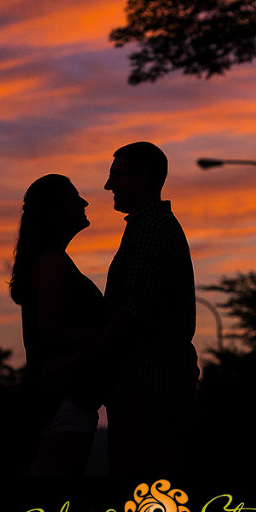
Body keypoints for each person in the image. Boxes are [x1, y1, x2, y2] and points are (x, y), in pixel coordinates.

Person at [102, 142, 199, 475]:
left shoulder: (153, 232)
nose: (108, 185)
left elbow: (132, 312)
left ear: (141, 178)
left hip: (149, 389)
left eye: (116, 176)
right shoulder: (146, 229)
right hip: (146, 387)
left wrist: (78, 358)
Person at [9, 174, 106, 476]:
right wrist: (114, 333)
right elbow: (53, 334)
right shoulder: (52, 262)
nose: (84, 202)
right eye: (74, 197)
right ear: (54, 211)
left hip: (64, 398)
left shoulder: (53, 261)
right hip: (63, 398)